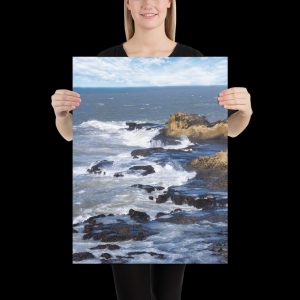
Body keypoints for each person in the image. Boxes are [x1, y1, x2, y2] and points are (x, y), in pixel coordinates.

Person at [51, 1, 253, 299]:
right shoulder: (107, 59)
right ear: (128, 5)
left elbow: (227, 132)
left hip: (179, 218)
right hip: (161, 212)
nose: (149, 4)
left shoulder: (193, 57)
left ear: (170, 4)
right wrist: (60, 116)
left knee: (170, 294)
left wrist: (245, 112)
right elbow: (71, 136)